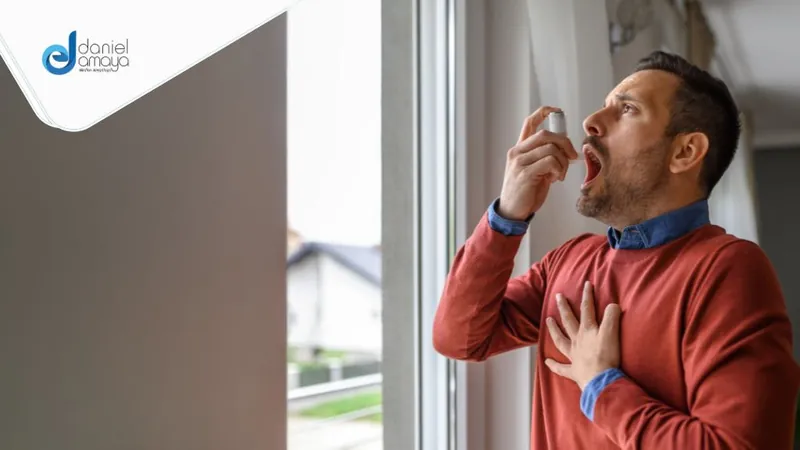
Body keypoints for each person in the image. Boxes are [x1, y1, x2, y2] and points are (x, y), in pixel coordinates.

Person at [432, 50, 800, 449]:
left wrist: (602, 387)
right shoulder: (568, 260)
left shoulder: (728, 269)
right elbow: (458, 338)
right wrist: (508, 214)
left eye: (626, 109)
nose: (591, 121)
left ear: (685, 152)